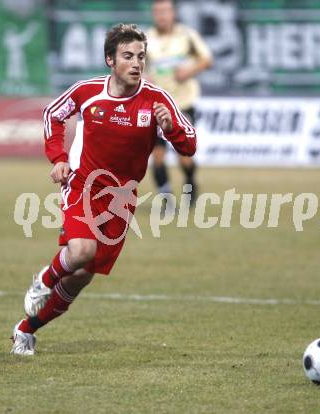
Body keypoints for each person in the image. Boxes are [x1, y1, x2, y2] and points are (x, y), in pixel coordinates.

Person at [11, 23, 196, 355]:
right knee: (81, 252)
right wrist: (58, 157)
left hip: (121, 201)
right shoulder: (87, 92)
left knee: (81, 276)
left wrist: (171, 127)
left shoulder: (156, 100)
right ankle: (43, 280)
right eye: (127, 56)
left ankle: (26, 330)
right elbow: (52, 114)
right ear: (110, 60)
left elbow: (190, 145)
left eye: (141, 56)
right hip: (83, 185)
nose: (136, 63)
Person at [146, 0, 212, 205]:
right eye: (158, 11)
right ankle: (167, 200)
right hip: (157, 106)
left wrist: (189, 71)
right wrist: (144, 78)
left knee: (185, 156)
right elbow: (138, 66)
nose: (162, 15)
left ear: (173, 13)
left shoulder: (187, 35)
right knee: (157, 156)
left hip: (183, 103)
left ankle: (191, 181)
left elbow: (207, 59)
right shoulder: (146, 38)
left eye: (165, 11)